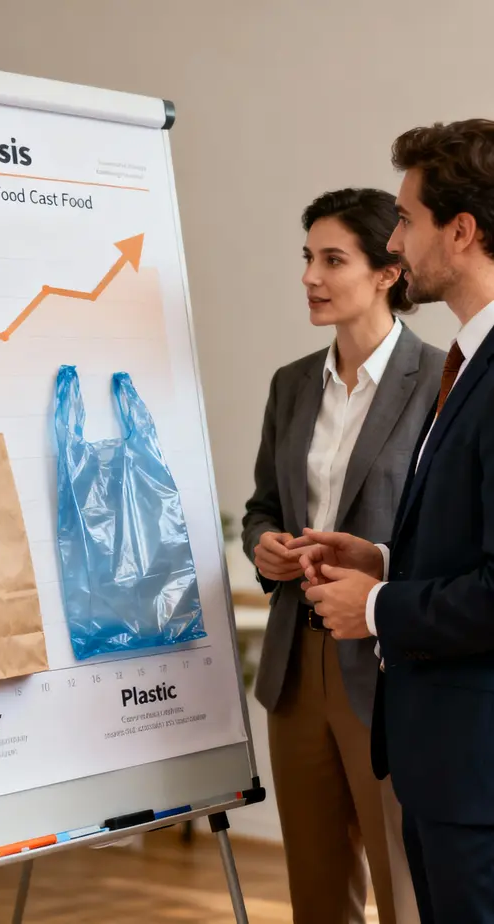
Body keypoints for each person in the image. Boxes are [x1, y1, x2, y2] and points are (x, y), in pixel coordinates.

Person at [296, 119, 494, 924]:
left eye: (405, 219)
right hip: (446, 766)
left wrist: (374, 607)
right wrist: (383, 561)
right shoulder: (468, 359)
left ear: (461, 230)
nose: (397, 239)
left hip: (474, 775)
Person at [242, 187, 444, 924]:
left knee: (403, 882)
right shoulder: (291, 385)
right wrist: (263, 546)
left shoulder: (441, 382)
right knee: (316, 888)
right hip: (296, 665)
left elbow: (446, 532)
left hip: (388, 664)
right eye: (306, 259)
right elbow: (264, 504)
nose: (309, 277)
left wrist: (375, 573)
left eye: (332, 259)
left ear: (387, 271)